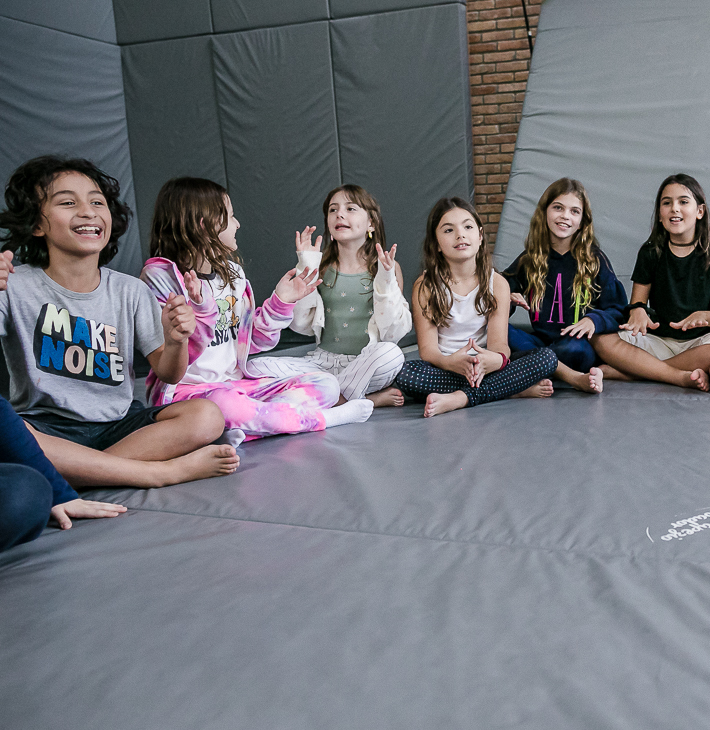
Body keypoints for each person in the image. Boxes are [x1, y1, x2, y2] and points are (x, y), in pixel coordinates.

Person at [0, 156, 238, 488]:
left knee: (207, 416)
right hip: (46, 429)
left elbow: (170, 372)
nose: (87, 211)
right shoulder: (13, 284)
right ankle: (157, 473)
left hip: (119, 427)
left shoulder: (131, 291)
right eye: (68, 202)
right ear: (38, 225)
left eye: (97, 202)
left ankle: (79, 473)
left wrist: (176, 340)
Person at [140, 177, 371, 442]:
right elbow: (172, 361)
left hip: (236, 385)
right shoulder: (159, 277)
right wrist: (201, 310)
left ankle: (245, 427)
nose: (237, 224)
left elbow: (254, 343)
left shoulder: (233, 274)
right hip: (186, 396)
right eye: (230, 216)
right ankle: (319, 420)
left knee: (326, 385)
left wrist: (281, 301)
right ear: (205, 224)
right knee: (226, 405)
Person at [394, 197, 557, 417]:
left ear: (480, 236)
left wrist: (494, 360)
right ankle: (507, 390)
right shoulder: (426, 285)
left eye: (468, 227)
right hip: (447, 368)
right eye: (448, 230)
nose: (460, 234)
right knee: (405, 374)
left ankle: (461, 398)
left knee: (547, 359)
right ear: (436, 244)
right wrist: (450, 362)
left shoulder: (497, 283)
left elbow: (500, 344)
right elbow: (428, 350)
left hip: (486, 367)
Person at [256, 185, 409, 407]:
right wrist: (305, 266)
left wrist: (386, 279)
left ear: (371, 223)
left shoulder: (387, 267)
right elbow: (300, 325)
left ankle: (324, 395)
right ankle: (357, 399)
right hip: (322, 362)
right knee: (256, 367)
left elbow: (393, 332)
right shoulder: (322, 266)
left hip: (364, 364)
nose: (340, 214)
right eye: (333, 209)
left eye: (351, 208)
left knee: (392, 355)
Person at [591, 174, 710, 390]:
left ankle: (636, 373)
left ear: (700, 211)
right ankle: (676, 376)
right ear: (660, 214)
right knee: (601, 339)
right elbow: (638, 305)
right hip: (659, 341)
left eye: (683, 201)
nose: (674, 208)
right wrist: (638, 312)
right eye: (667, 203)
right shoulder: (650, 252)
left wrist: (704, 317)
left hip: (701, 343)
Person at [503, 178, 627, 394]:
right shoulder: (530, 259)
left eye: (574, 211)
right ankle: (550, 366)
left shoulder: (594, 260)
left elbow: (618, 309)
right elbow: (499, 290)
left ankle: (535, 366)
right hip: (540, 341)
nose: (565, 216)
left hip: (576, 345)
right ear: (545, 212)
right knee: (498, 331)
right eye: (558, 208)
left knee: (575, 350)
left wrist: (593, 320)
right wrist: (508, 297)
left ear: (582, 220)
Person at [1, 396, 126, 550]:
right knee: (29, 491)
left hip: (117, 420)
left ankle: (155, 472)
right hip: (41, 421)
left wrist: (58, 492)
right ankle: (154, 473)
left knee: (29, 489)